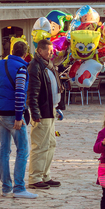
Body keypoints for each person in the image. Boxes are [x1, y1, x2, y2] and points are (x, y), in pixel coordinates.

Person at [0, 40, 37, 199]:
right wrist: (19, 117)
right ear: (25, 54)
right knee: (23, 150)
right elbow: (19, 93)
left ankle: (6, 188)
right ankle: (19, 188)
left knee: (4, 150)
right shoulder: (21, 68)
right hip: (12, 114)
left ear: (12, 50)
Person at [27, 39, 66, 190]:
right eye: (49, 50)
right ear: (40, 51)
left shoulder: (48, 65)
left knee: (51, 144)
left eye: (52, 50)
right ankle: (35, 178)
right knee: (40, 145)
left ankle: (45, 175)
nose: (51, 52)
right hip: (42, 113)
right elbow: (33, 93)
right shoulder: (35, 67)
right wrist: (35, 113)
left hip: (51, 111)